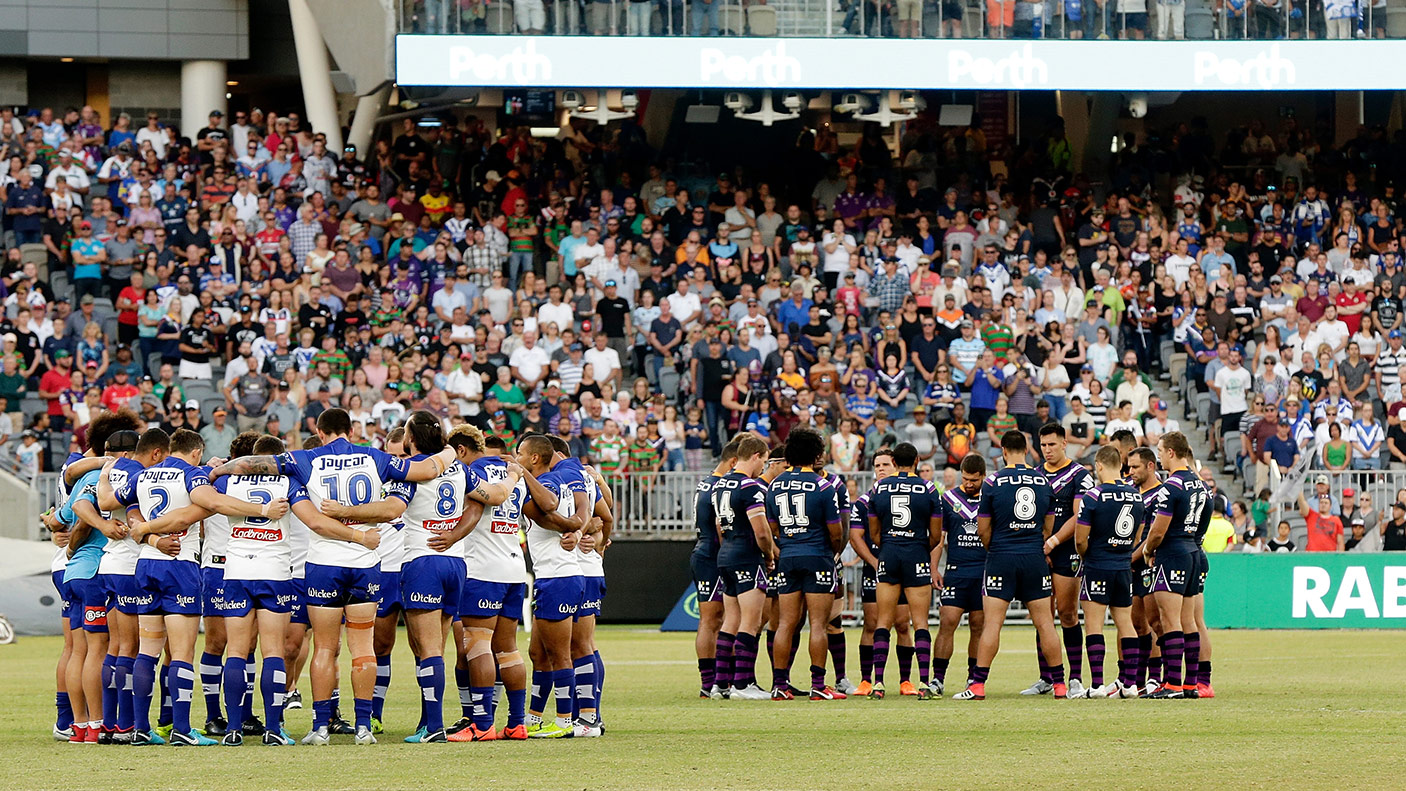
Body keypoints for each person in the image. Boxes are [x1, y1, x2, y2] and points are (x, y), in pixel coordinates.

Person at [206, 409, 502, 745]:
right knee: (364, 648)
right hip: (367, 564)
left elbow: (252, 467)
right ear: (351, 429)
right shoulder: (375, 457)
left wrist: (221, 467)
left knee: (324, 648)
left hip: (322, 565)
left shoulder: (306, 459)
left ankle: (319, 728)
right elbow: (425, 470)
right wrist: (449, 451)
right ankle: (364, 727)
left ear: (319, 429)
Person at [114, 428, 291, 746]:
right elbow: (213, 503)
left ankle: (140, 728)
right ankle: (181, 728)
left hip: (145, 563)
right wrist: (262, 510)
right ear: (195, 452)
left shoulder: (143, 475)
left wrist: (147, 532)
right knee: (182, 652)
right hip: (179, 564)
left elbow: (118, 503)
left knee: (148, 650)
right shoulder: (191, 474)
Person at [316, 411, 472, 744]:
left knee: (426, 649)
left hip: (419, 561)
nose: (399, 456)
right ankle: (418, 720)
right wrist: (457, 533)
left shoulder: (408, 473)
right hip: (448, 563)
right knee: (422, 647)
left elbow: (390, 510)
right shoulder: (457, 466)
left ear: (411, 440)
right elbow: (487, 497)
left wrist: (342, 512)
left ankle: (432, 726)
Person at [954, 430, 1066, 701]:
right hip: (1033, 557)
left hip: (1001, 557)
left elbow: (983, 529)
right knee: (1046, 624)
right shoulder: (1042, 480)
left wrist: (996, 548)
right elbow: (1048, 527)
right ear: (1027, 450)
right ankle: (1060, 685)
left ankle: (978, 685)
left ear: (1003, 451)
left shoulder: (992, 482)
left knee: (992, 623)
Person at [765, 428, 847, 701]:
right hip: (817, 557)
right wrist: (830, 551)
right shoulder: (824, 486)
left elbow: (774, 527)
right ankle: (818, 685)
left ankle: (779, 684)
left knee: (786, 624)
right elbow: (836, 532)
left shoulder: (775, 485)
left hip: (787, 557)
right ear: (815, 454)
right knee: (818, 624)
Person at [864, 442, 942, 701]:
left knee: (883, 621)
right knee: (919, 621)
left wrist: (887, 544)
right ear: (917, 460)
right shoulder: (928, 488)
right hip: (916, 554)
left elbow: (873, 532)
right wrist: (918, 545)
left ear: (894, 462)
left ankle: (878, 683)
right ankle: (923, 682)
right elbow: (935, 534)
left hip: (889, 553)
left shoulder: (879, 487)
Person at [1139, 432, 1211, 699]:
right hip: (1194, 551)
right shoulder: (1201, 485)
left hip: (1172, 553)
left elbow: (1158, 531)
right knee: (1188, 619)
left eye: (1160, 451)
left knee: (1170, 620)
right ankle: (1190, 684)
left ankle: (1171, 684)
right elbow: (1205, 519)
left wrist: (1147, 549)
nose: (1158, 456)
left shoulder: (1171, 486)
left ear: (1171, 452)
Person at [1028, 422, 1095, 697]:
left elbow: (1079, 515)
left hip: (1065, 550)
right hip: (1040, 550)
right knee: (1043, 615)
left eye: (1052, 444)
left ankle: (1075, 678)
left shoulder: (1079, 474)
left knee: (1067, 613)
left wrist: (1053, 541)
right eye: (1043, 445)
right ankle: (1047, 677)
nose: (1047, 450)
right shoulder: (1035, 475)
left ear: (1064, 443)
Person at [1073, 446, 1142, 699]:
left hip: (1098, 565)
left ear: (1099, 466)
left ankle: (1097, 685)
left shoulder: (1093, 496)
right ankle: (1131, 684)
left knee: (1094, 624)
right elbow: (1137, 535)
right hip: (1123, 566)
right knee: (1126, 623)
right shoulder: (1136, 496)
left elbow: (1080, 540)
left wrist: (1088, 555)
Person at [712, 435, 776, 701]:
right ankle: (742, 685)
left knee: (731, 621)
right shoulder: (751, 488)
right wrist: (769, 554)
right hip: (746, 556)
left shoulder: (720, 484)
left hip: (726, 554)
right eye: (764, 460)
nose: (764, 467)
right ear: (757, 456)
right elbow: (761, 531)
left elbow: (718, 525)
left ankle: (720, 684)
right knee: (750, 622)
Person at [930, 453, 987, 698]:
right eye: (966, 479)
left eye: (974, 480)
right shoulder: (949, 498)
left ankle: (973, 678)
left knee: (978, 626)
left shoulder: (991, 497)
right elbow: (939, 539)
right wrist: (934, 568)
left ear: (983, 476)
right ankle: (938, 678)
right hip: (956, 571)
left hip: (984, 571)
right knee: (947, 622)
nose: (969, 483)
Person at [691, 438, 739, 698]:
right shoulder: (721, 486)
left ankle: (716, 680)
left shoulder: (705, 481)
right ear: (733, 461)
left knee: (717, 619)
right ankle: (711, 682)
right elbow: (722, 528)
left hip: (703, 551)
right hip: (713, 555)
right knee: (713, 619)